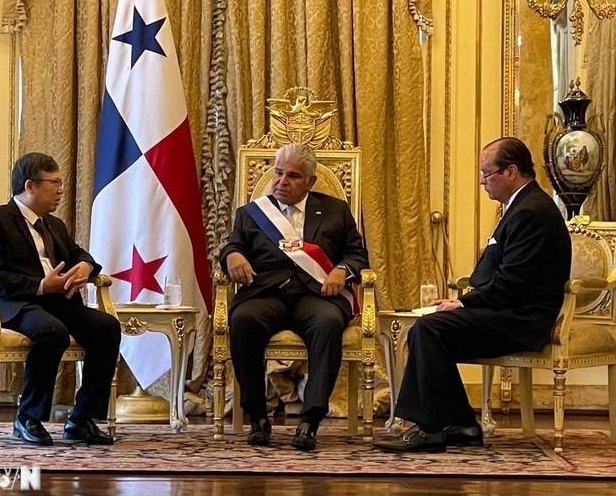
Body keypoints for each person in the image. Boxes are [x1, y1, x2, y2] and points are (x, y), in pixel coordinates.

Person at [374, 137, 571, 453]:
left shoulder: (531, 212)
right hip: (505, 311)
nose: (482, 181)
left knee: (428, 330)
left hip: (521, 319)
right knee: (432, 331)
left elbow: (512, 283)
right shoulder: (522, 205)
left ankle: (429, 427)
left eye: (486, 173)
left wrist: (463, 302)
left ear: (510, 171)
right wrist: (464, 302)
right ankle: (461, 424)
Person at [220, 143, 369, 450]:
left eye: (292, 176)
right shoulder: (251, 214)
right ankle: (258, 416)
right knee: (244, 320)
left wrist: (341, 270)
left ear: (310, 182)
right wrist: (232, 255)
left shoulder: (333, 210)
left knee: (328, 323)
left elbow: (356, 253)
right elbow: (231, 247)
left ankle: (310, 420)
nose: (281, 182)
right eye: (277, 172)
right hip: (266, 293)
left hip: (317, 295)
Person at [0, 152, 121, 446]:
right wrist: (41, 285)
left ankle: (81, 419)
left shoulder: (53, 224)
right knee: (51, 331)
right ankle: (27, 417)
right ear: (30, 186)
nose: (60, 190)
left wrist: (86, 267)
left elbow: (79, 254)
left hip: (57, 301)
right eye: (54, 183)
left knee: (106, 327)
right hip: (14, 303)